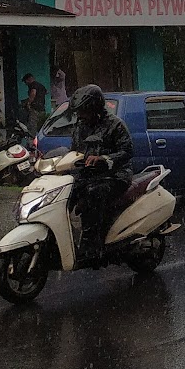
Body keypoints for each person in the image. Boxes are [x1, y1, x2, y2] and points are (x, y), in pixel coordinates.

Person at [67, 85, 134, 266]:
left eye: (84, 111)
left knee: (93, 193)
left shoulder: (115, 125)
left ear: (95, 108)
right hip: (87, 175)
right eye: (78, 111)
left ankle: (93, 246)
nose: (81, 115)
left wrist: (104, 159)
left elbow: (127, 151)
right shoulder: (80, 127)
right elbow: (74, 152)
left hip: (116, 175)